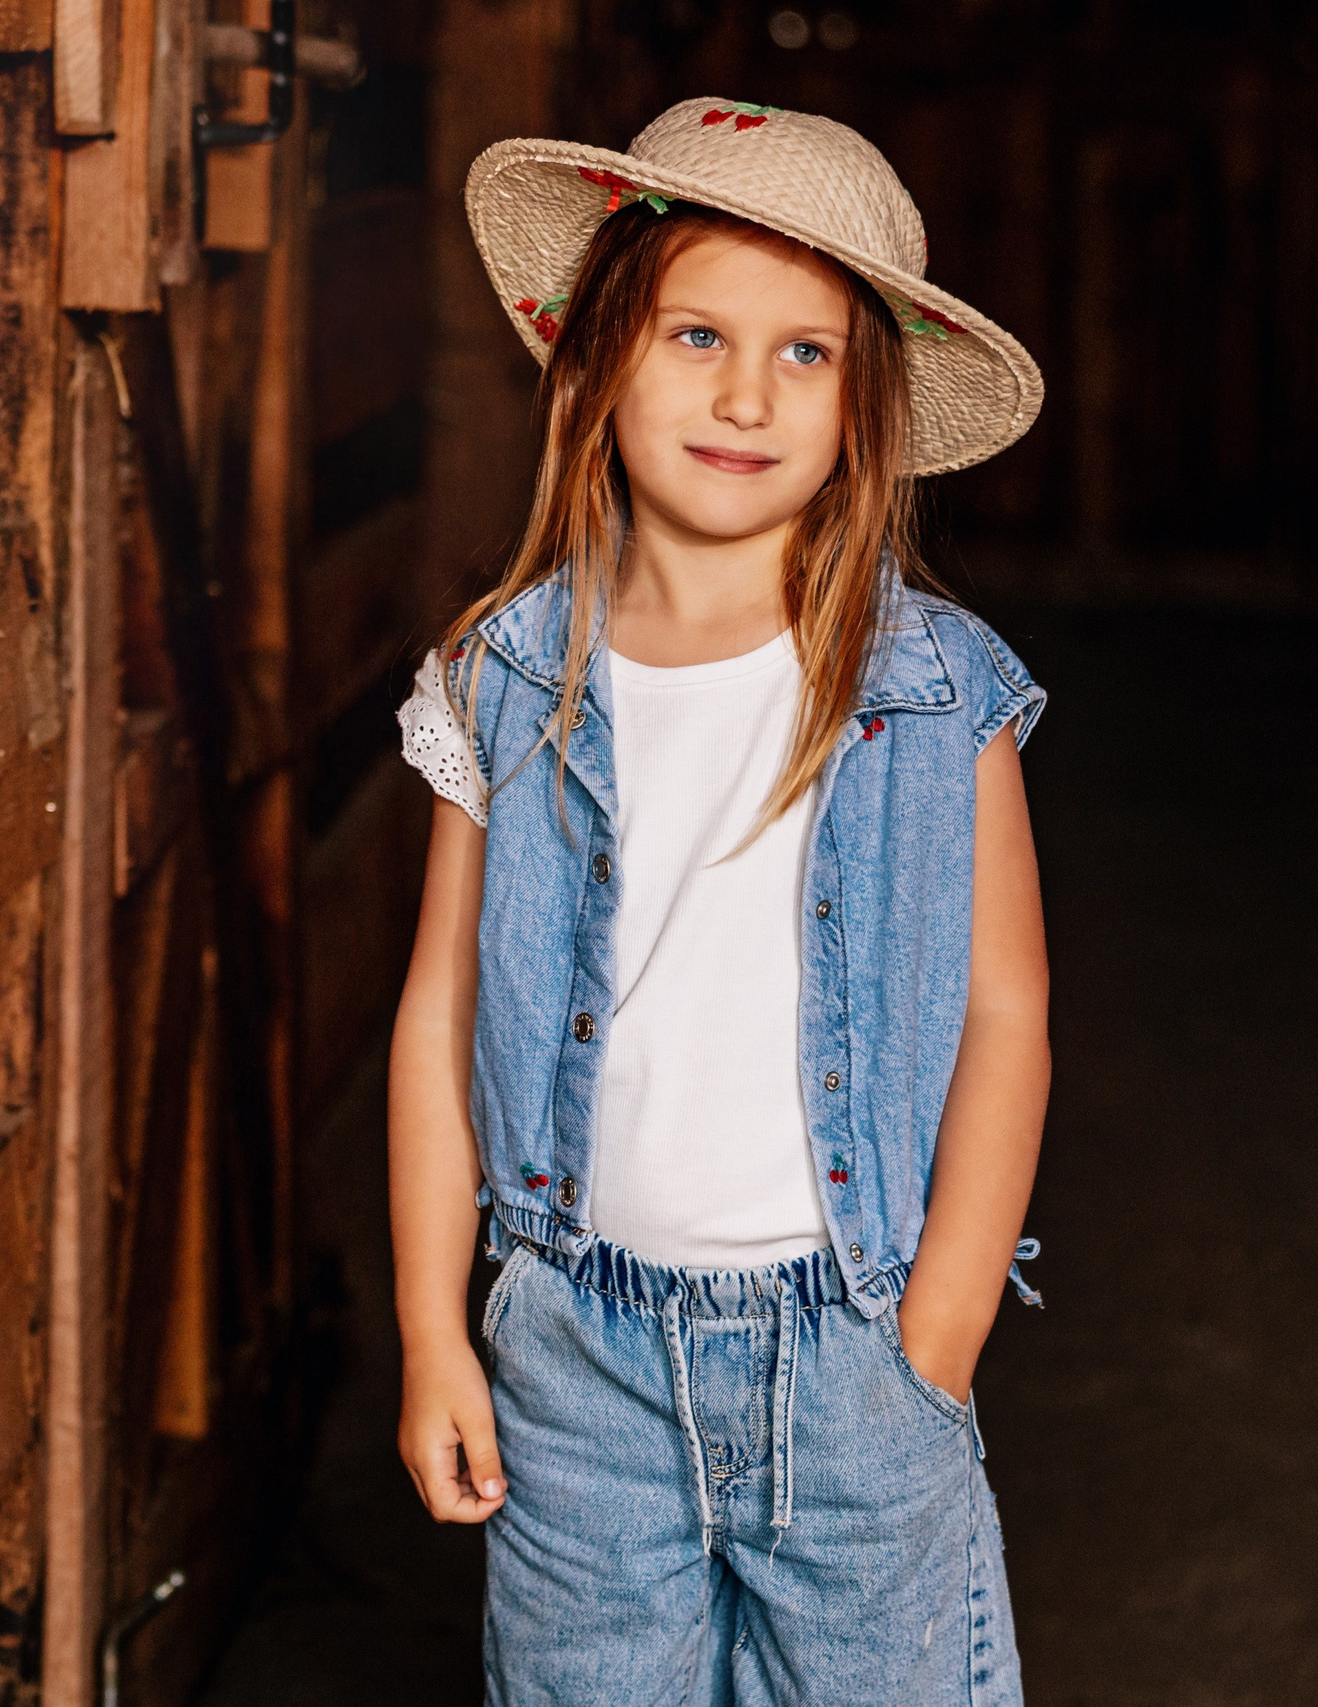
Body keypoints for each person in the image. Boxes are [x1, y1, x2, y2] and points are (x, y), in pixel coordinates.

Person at [387, 98, 1053, 1704]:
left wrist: (944, 1324)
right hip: (577, 1361)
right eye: (698, 332)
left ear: (865, 404)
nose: (746, 393)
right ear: (603, 354)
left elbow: (1007, 1009)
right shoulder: (507, 674)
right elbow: (440, 1012)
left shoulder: (930, 689)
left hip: (855, 1359)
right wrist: (433, 1332)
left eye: (806, 353)